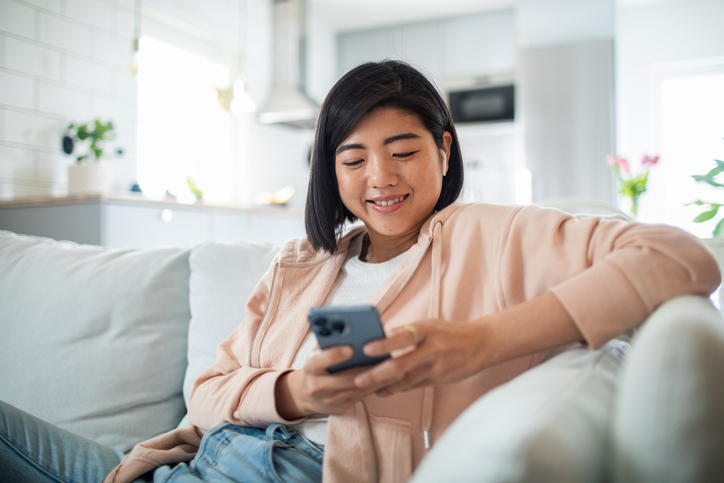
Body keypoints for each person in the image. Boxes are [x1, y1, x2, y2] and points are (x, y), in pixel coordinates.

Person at [0, 60, 720, 483]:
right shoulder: (300, 264)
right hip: (185, 462)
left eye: (403, 149)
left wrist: (480, 342)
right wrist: (292, 389)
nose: (380, 177)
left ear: (444, 148)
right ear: (330, 170)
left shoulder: (497, 232)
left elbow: (684, 257)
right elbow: (209, 390)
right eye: (352, 159)